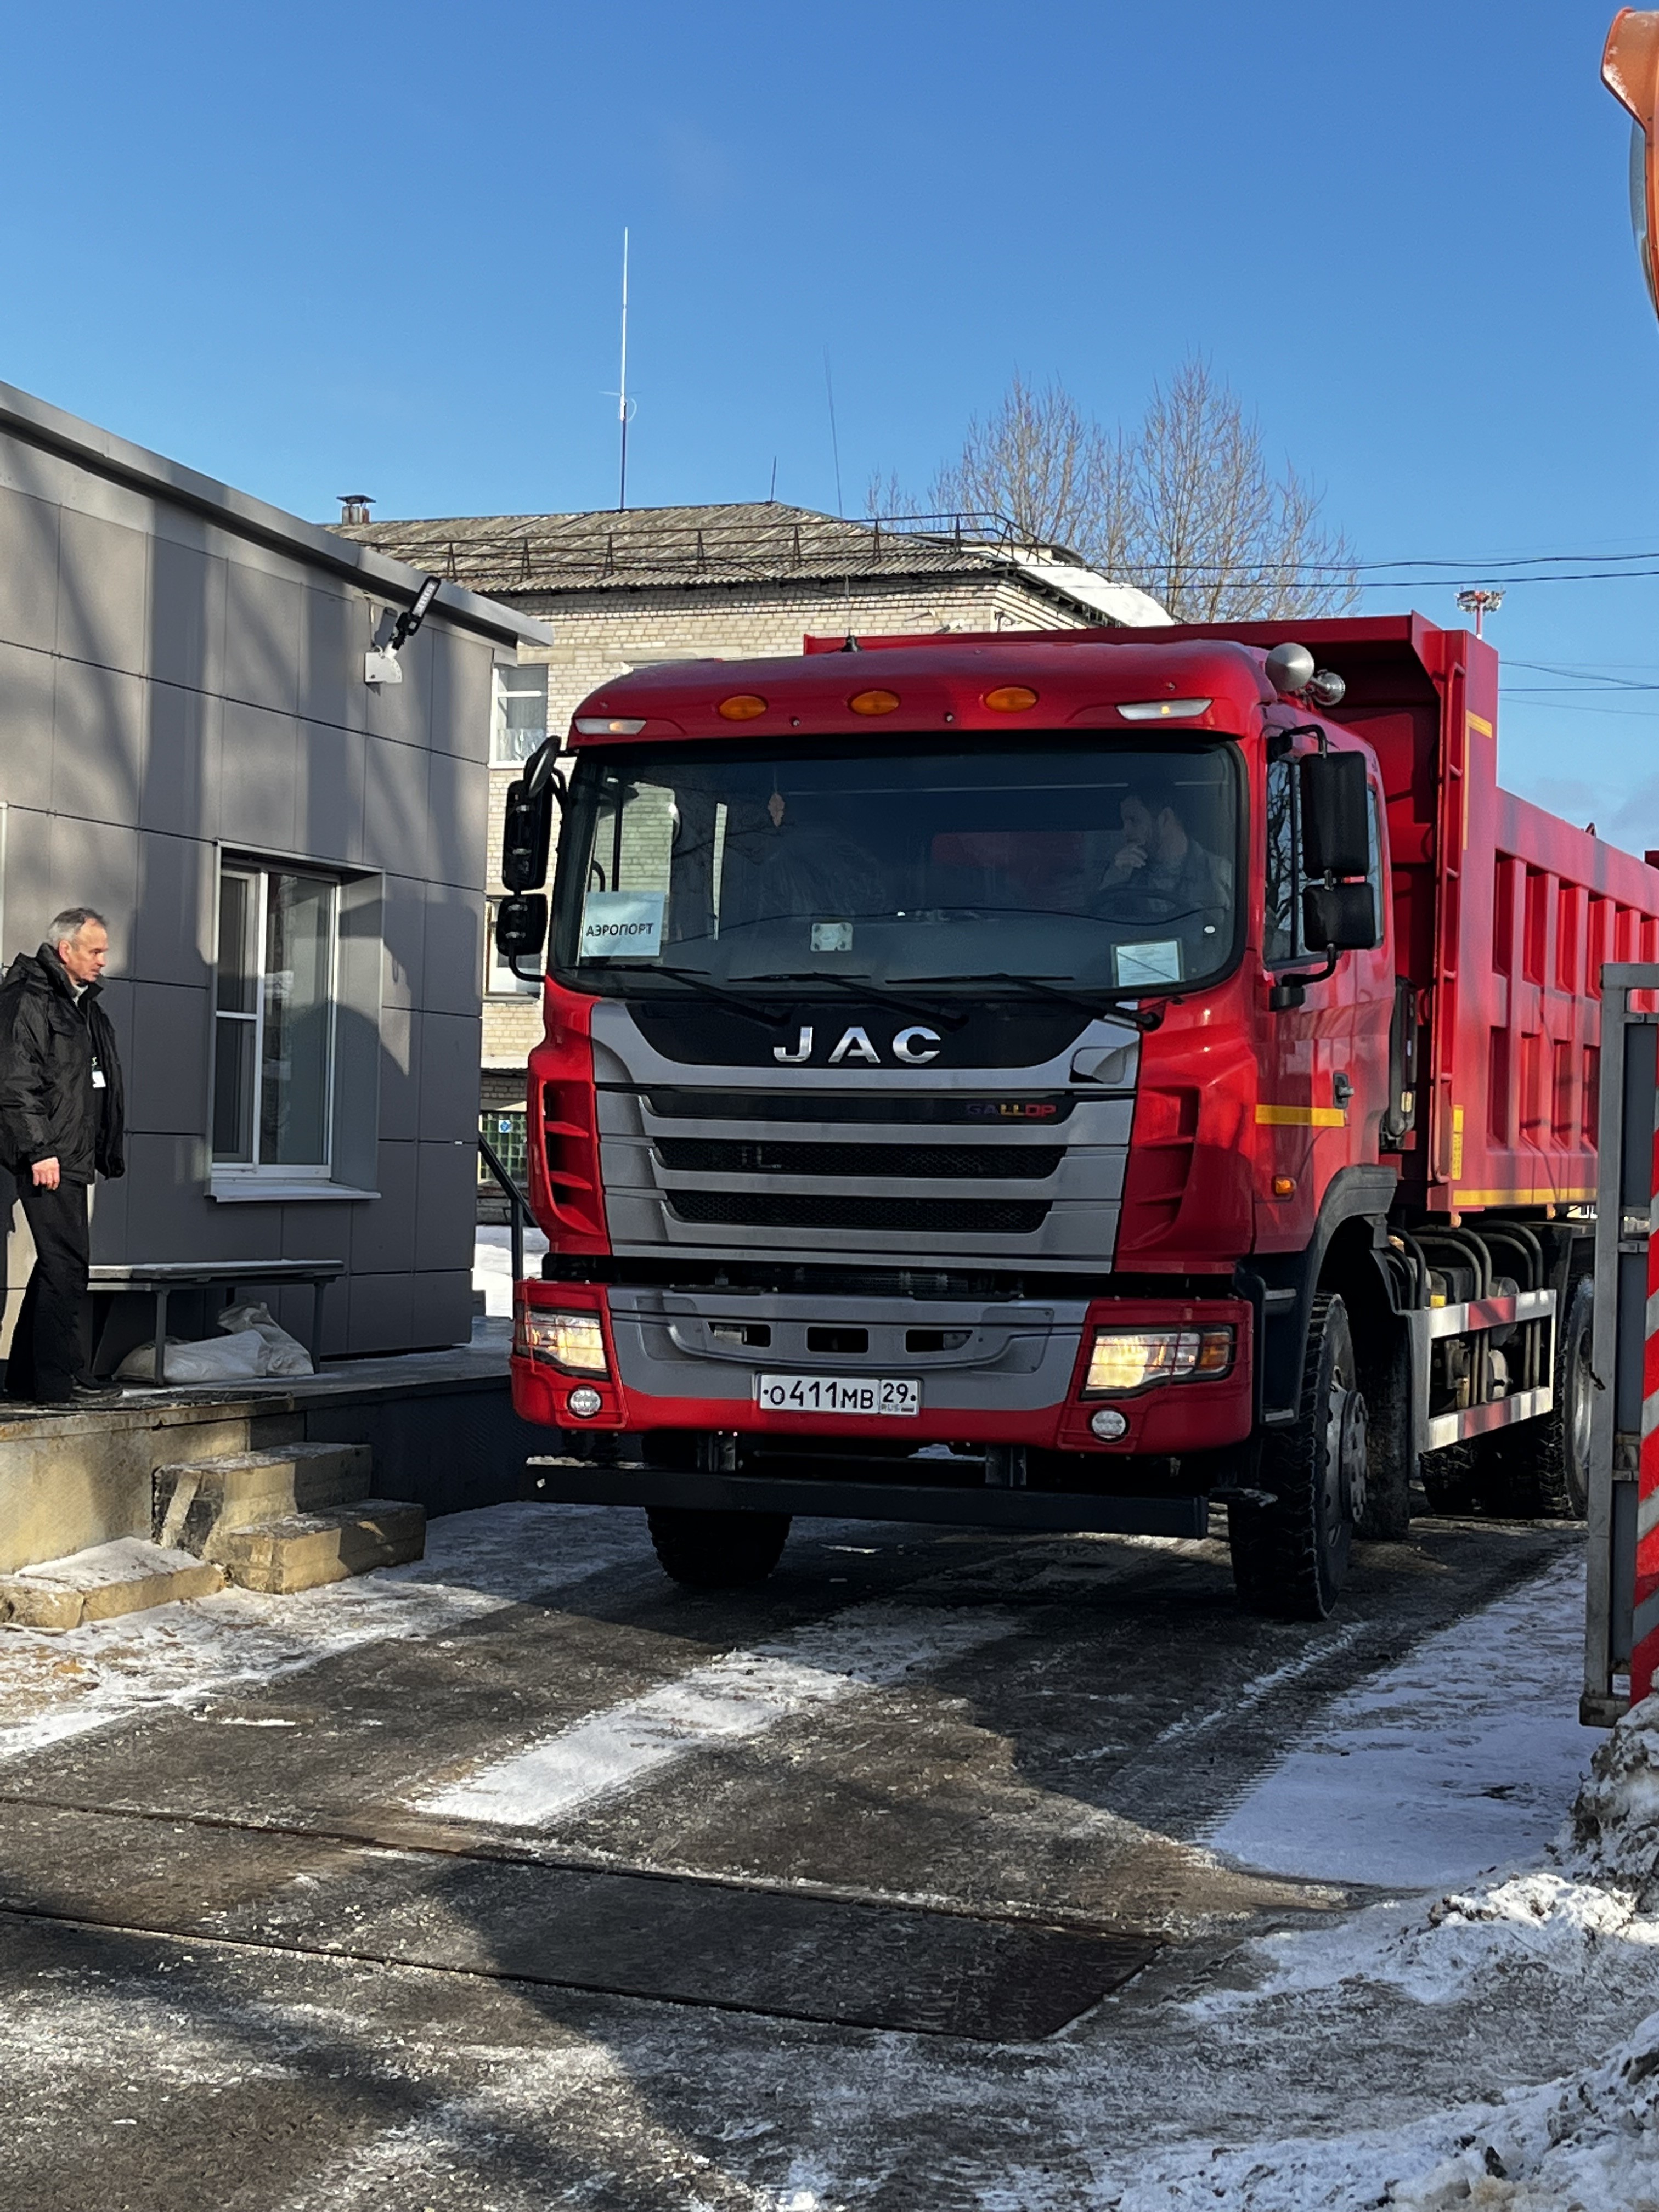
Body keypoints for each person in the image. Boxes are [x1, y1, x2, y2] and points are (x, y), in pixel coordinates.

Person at [0, 910, 126, 1407]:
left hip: (73, 1153)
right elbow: (15, 1083)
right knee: (68, 1265)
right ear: (65, 949)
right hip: (47, 1156)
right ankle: (60, 1381)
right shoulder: (28, 1000)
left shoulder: (81, 1004)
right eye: (95, 951)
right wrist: (39, 1150)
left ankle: (28, 1379)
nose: (103, 960)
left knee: (58, 1265)